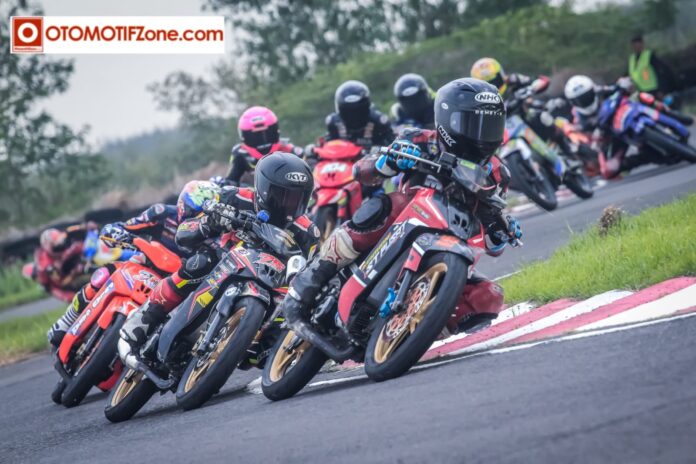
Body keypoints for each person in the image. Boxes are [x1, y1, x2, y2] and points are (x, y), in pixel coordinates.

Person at [280, 78, 522, 335]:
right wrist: (388, 161)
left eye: (490, 125)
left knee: (489, 296)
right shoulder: (420, 139)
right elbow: (362, 171)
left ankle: (411, 333)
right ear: (448, 120)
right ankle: (309, 281)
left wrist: (500, 232)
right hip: (402, 220)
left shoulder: (498, 174)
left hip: (452, 246)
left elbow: (492, 244)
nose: (482, 133)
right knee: (382, 207)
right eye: (474, 124)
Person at [119, 152, 320, 359]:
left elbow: (310, 271)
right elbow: (184, 233)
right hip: (221, 260)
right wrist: (210, 222)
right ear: (264, 189)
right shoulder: (235, 196)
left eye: (298, 198)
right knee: (199, 263)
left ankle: (271, 351)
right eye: (283, 196)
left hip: (271, 282)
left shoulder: (308, 232)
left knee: (291, 311)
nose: (290, 204)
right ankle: (146, 318)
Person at [46, 184, 219, 347]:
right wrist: (119, 233)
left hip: (174, 284)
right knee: (103, 275)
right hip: (143, 263)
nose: (192, 218)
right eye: (190, 211)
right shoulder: (162, 213)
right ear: (182, 205)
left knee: (182, 329)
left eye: (199, 215)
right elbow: (126, 226)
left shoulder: (210, 239)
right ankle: (66, 321)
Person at [564, 74, 663, 178]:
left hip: (623, 117)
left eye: (586, 96)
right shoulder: (577, 115)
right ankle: (647, 156)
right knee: (607, 170)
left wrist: (622, 84)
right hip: (611, 137)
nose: (584, 101)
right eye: (579, 100)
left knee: (638, 96)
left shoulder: (600, 91)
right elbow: (579, 128)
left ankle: (662, 108)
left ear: (592, 90)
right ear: (572, 102)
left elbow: (616, 88)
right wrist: (589, 135)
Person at [223, 106, 303, 186]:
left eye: (267, 134)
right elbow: (230, 182)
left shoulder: (289, 150)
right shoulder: (240, 154)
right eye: (255, 136)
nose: (262, 139)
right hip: (251, 192)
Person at [324, 80, 394, 150]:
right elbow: (326, 147)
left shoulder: (378, 121)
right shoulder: (334, 122)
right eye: (349, 112)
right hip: (342, 156)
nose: (353, 116)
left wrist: (378, 149)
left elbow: (392, 146)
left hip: (375, 156)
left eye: (356, 111)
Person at [470, 57, 536, 100]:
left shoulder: (513, 79)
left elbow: (537, 82)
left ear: (501, 73)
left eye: (494, 80)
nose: (492, 85)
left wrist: (528, 92)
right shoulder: (475, 99)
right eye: (486, 83)